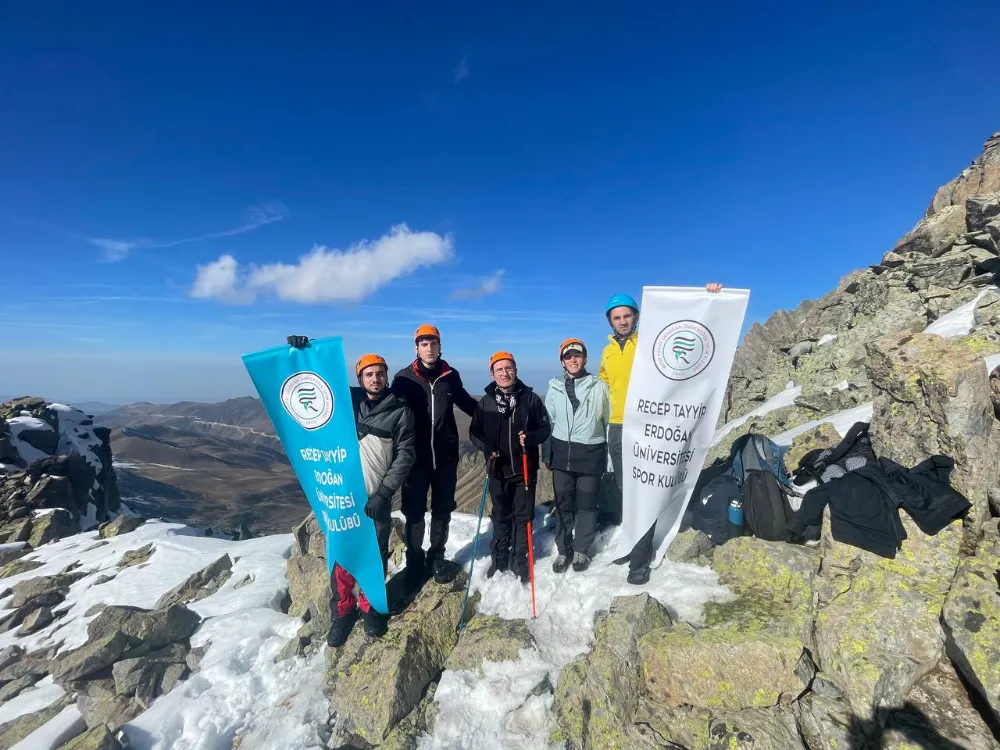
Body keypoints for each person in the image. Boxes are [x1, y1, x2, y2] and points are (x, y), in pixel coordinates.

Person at [285, 338, 416, 645]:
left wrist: (383, 494)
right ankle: (342, 614)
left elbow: (405, 455)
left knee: (375, 554)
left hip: (376, 498)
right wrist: (302, 352)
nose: (376, 379)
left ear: (386, 376)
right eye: (369, 374)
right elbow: (317, 384)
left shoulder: (399, 411)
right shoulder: (346, 403)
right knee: (341, 557)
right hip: (341, 497)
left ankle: (370, 609)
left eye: (380, 373)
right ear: (360, 379)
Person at [599, 283, 722, 585]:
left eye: (627, 316)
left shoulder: (651, 341)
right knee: (626, 490)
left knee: (646, 489)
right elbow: (605, 380)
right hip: (618, 426)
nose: (623, 321)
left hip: (646, 424)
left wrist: (709, 297)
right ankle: (633, 543)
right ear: (610, 321)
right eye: (617, 317)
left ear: (637, 317)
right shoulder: (608, 350)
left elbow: (686, 333)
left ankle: (640, 559)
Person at [391, 324, 479, 586]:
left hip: (445, 458)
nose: (429, 348)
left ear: (440, 346)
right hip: (415, 459)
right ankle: (415, 559)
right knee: (414, 511)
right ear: (416, 348)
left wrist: (499, 419)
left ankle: (436, 556)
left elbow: (467, 403)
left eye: (433, 343)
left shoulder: (450, 376)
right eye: (424, 343)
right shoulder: (403, 379)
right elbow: (387, 410)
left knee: (442, 509)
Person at [469, 351, 552, 583]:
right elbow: (474, 432)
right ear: (492, 373)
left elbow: (545, 428)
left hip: (524, 469)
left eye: (508, 368)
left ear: (515, 370)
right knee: (501, 516)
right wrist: (487, 447)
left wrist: (532, 437)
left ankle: (519, 558)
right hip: (497, 469)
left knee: (523, 516)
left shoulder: (530, 399)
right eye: (499, 370)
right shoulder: (485, 403)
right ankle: (500, 558)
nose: (505, 373)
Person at [542, 338, 611, 573]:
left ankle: (581, 550)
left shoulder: (599, 386)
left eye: (577, 355)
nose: (573, 359)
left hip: (591, 455)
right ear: (562, 361)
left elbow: (608, 423)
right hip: (562, 456)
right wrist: (547, 454)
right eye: (568, 356)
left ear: (585, 359)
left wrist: (609, 460)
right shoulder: (554, 387)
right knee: (563, 506)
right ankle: (564, 550)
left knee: (587, 506)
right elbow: (548, 422)